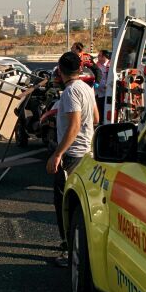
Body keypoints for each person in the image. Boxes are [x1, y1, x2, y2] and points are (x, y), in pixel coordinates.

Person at [47, 52, 99, 267]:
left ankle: (69, 250)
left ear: (60, 69)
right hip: (85, 153)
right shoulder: (86, 88)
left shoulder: (70, 92)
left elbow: (74, 125)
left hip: (71, 156)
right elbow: (95, 118)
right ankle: (73, 245)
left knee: (64, 205)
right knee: (77, 204)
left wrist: (57, 154)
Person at [95, 49, 111, 120]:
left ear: (104, 57)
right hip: (98, 93)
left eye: (99, 55)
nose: (98, 57)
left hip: (108, 93)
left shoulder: (111, 65)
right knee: (99, 109)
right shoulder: (97, 65)